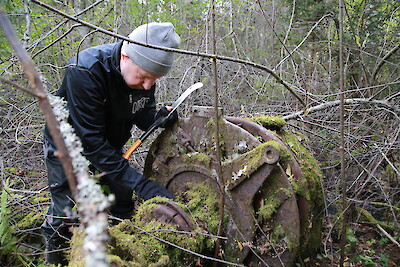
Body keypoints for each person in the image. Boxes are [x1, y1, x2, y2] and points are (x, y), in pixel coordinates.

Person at [42, 22, 180, 265]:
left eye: (154, 79)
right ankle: (55, 259)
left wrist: (157, 118)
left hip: (108, 146)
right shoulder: (85, 71)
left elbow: (140, 111)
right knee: (69, 212)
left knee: (122, 198)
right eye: (144, 77)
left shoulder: (142, 70)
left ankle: (122, 250)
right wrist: (143, 186)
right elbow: (91, 143)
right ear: (125, 55)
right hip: (68, 148)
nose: (148, 85)